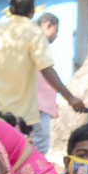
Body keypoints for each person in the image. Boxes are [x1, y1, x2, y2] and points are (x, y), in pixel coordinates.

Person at [0, 0, 86, 131]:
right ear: (32, 11)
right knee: (20, 153)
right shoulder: (34, 34)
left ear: (10, 9)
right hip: (22, 118)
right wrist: (70, 98)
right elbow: (46, 70)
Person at [31, 12, 63, 155]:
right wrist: (69, 97)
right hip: (36, 105)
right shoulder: (37, 42)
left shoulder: (33, 42)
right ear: (47, 25)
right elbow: (47, 71)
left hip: (35, 104)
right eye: (55, 31)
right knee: (40, 144)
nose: (56, 36)